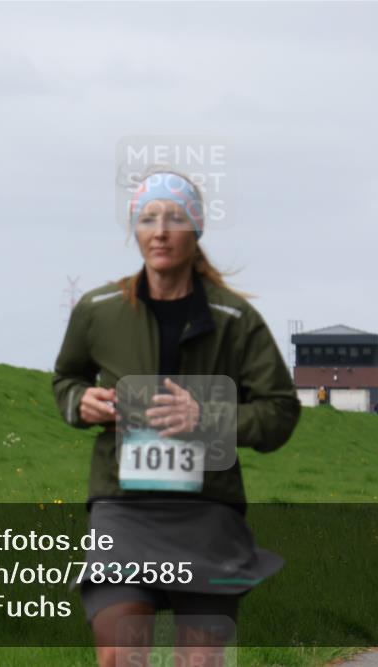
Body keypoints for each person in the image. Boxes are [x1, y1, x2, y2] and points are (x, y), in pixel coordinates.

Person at [52, 170, 301, 665]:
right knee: (121, 654)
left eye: (175, 217)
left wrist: (207, 417)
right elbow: (65, 379)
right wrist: (81, 403)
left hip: (208, 511)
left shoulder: (234, 320)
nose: (160, 230)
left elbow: (280, 413)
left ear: (197, 229)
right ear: (135, 230)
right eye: (148, 218)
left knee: (202, 660)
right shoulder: (97, 310)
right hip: (123, 509)